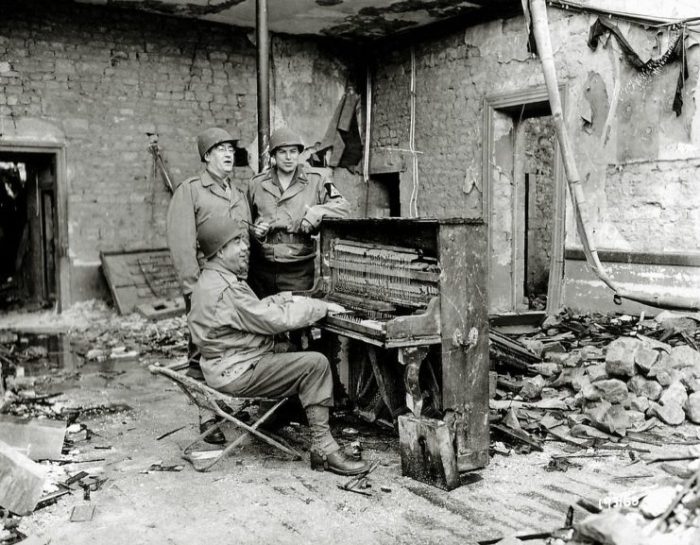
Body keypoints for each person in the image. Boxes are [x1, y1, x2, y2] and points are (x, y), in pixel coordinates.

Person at [188, 215, 370, 476]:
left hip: (222, 365)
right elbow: (273, 320)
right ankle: (324, 450)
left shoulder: (209, 281)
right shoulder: (227, 290)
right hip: (238, 372)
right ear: (219, 251)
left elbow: (254, 311)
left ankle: (270, 417)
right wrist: (319, 307)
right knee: (316, 364)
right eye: (236, 243)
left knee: (291, 351)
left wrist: (290, 297)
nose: (243, 248)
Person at [167, 127, 251, 445]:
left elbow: (244, 242)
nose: (228, 153)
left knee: (231, 348)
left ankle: (226, 404)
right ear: (206, 156)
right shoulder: (190, 191)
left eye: (231, 148)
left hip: (236, 287)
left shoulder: (238, 194)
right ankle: (207, 414)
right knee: (200, 352)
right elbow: (181, 244)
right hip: (206, 287)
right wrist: (193, 291)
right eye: (220, 149)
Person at [247, 126, 350, 298]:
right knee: (264, 319)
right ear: (273, 155)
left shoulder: (316, 180)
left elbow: (343, 207)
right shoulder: (256, 184)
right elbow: (246, 222)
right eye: (282, 152)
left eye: (293, 151)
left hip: (298, 267)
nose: (289, 157)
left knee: (297, 319)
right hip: (263, 266)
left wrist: (316, 213)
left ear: (299, 154)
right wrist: (257, 232)